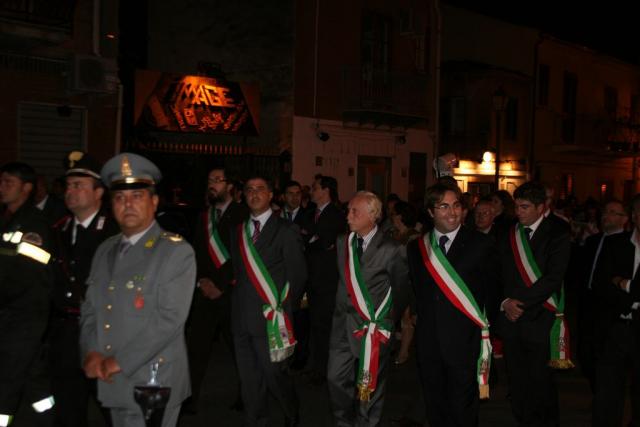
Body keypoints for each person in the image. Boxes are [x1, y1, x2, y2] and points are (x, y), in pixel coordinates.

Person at [79, 153, 196, 427]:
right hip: (111, 377)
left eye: (137, 196)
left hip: (152, 381)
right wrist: (91, 350)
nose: (128, 204)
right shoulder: (105, 249)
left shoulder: (174, 252)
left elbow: (169, 320)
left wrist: (117, 361)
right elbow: (90, 308)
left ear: (154, 202)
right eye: (120, 198)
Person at [407, 184, 497, 427]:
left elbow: (493, 290)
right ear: (430, 212)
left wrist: (486, 333)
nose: (452, 212)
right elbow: (417, 289)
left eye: (456, 205)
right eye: (444, 206)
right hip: (429, 342)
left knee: (462, 409)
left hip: (465, 341)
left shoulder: (481, 244)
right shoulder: (416, 248)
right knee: (435, 405)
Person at [228, 176, 307, 427]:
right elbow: (238, 273)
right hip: (241, 318)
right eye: (249, 189)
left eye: (260, 189)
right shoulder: (237, 231)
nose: (254, 193)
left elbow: (298, 275)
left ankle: (291, 411)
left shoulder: (285, 230)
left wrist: (283, 309)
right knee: (249, 379)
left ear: (271, 195)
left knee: (276, 374)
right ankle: (256, 420)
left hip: (271, 318)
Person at [328, 191, 410, 427]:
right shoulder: (343, 242)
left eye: (355, 211)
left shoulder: (392, 248)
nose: (348, 216)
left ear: (373, 215)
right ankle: (344, 422)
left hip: (373, 329)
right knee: (334, 379)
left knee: (370, 386)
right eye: (348, 211)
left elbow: (401, 290)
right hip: (342, 326)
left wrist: (386, 320)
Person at [49, 152, 119, 427]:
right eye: (68, 185)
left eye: (79, 185)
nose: (70, 191)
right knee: (68, 410)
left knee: (114, 409)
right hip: (64, 334)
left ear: (99, 192)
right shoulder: (59, 229)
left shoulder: (114, 232)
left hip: (102, 334)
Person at [498, 181, 571, 427]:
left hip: (541, 318)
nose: (518, 212)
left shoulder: (557, 233)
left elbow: (553, 277)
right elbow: (497, 273)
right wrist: (505, 302)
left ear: (541, 207)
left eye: (525, 207)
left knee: (541, 382)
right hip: (511, 318)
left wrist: (521, 303)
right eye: (516, 206)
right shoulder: (508, 232)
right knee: (517, 380)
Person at [185, 166, 248, 413]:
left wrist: (221, 285)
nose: (212, 184)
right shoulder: (204, 216)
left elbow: (242, 255)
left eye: (218, 180)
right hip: (205, 292)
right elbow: (196, 252)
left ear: (229, 186)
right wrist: (202, 280)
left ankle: (246, 394)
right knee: (196, 347)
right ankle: (189, 398)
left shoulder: (242, 214)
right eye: (210, 180)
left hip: (231, 292)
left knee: (238, 348)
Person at [0, 162, 55, 427]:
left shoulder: (34, 225)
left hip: (24, 317)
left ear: (26, 188)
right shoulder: (7, 220)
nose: (2, 187)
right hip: (9, 315)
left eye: (8, 182)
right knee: (33, 378)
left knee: (7, 378)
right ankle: (49, 418)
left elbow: (27, 274)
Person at [591, 195, 640, 426]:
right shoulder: (616, 244)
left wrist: (624, 284)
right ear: (634, 216)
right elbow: (602, 283)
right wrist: (629, 297)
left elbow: (619, 282)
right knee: (608, 387)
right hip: (616, 324)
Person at [577, 199, 627, 392]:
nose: (606, 216)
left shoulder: (627, 243)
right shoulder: (593, 241)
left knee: (605, 353)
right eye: (605, 212)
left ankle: (604, 392)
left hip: (610, 307)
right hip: (588, 303)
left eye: (613, 212)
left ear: (624, 218)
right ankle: (597, 386)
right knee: (586, 351)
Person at [301, 174, 346, 384]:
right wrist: (312, 239)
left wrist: (312, 240)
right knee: (314, 325)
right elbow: (304, 237)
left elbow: (325, 242)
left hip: (327, 281)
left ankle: (325, 370)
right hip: (311, 278)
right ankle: (315, 365)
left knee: (325, 326)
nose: (311, 191)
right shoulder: (310, 213)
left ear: (325, 190)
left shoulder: (336, 215)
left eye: (315, 188)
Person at [390, 201, 420, 365]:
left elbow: (414, 263)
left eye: (394, 214)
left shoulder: (414, 237)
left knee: (406, 318)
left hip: (407, 282)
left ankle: (404, 351)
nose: (392, 217)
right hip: (391, 281)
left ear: (401, 216)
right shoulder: (392, 233)